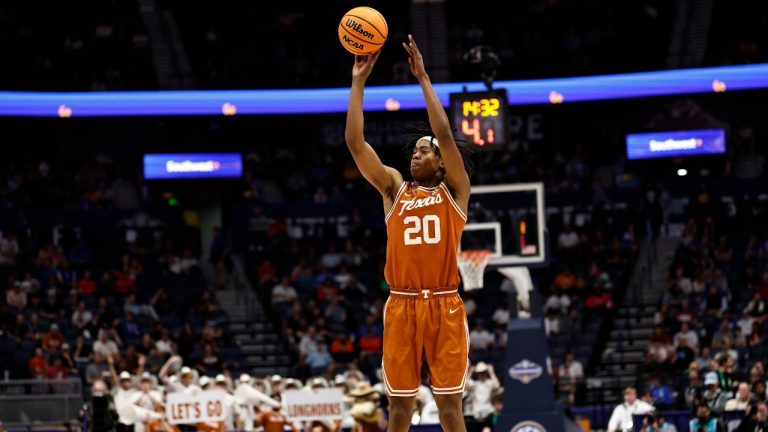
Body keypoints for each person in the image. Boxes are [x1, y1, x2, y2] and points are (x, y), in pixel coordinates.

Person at [345, 35, 474, 432]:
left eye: (424, 150)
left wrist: (423, 79)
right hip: (400, 305)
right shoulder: (394, 189)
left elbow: (446, 135)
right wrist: (358, 82)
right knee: (399, 410)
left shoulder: (456, 191)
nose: (415, 154)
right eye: (414, 151)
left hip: (444, 304)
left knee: (450, 410)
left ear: (441, 163)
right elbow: (355, 143)